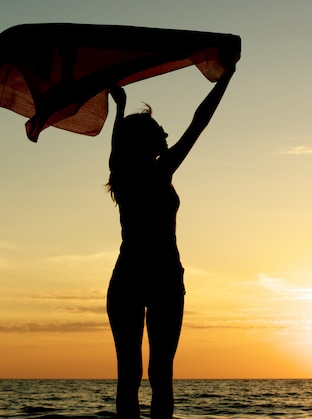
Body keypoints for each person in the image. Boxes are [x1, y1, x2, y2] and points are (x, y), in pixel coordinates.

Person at [106, 66, 235, 419]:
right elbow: (199, 123)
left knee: (138, 373)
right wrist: (225, 80)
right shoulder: (155, 172)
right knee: (150, 373)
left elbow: (119, 145)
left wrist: (119, 108)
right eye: (158, 130)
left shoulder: (124, 171)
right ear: (145, 141)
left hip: (148, 277)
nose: (165, 133)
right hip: (150, 277)